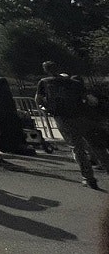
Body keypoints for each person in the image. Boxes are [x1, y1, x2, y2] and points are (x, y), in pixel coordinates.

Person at [37, 61, 99, 189]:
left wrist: (46, 110)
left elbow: (39, 100)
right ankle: (101, 162)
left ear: (46, 70)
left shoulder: (44, 82)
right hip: (80, 115)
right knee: (95, 143)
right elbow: (89, 99)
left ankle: (88, 177)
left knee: (76, 147)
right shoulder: (73, 82)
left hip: (62, 118)